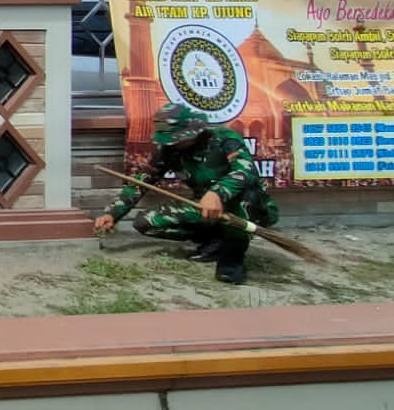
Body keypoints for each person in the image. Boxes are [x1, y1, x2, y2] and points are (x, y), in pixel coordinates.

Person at [92, 102, 275, 285]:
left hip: (244, 204)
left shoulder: (224, 138)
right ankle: (215, 241)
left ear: (193, 131)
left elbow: (246, 171)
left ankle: (233, 255)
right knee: (146, 222)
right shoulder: (169, 150)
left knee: (246, 201)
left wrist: (217, 193)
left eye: (177, 138)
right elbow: (140, 182)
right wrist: (113, 213)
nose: (173, 143)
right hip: (203, 207)